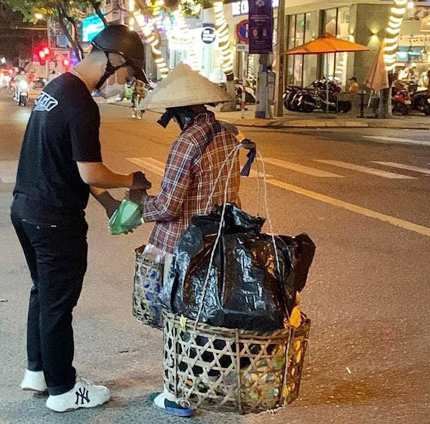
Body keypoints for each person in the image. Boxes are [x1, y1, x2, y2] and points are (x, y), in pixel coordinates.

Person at [10, 24, 151, 413]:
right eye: (127, 74)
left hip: (25, 208)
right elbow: (90, 171)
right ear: (114, 60)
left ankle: (37, 371)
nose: (124, 83)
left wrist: (106, 201)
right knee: (58, 303)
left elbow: (66, 162)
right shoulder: (82, 104)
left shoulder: (57, 89)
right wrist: (131, 180)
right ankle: (63, 390)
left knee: (43, 293)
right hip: (55, 218)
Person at [128, 63, 241, 418]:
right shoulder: (226, 134)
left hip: (182, 245)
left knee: (177, 321)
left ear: (177, 111)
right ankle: (203, 383)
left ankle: (178, 395)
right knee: (204, 318)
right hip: (219, 240)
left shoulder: (187, 141)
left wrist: (134, 207)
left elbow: (168, 205)